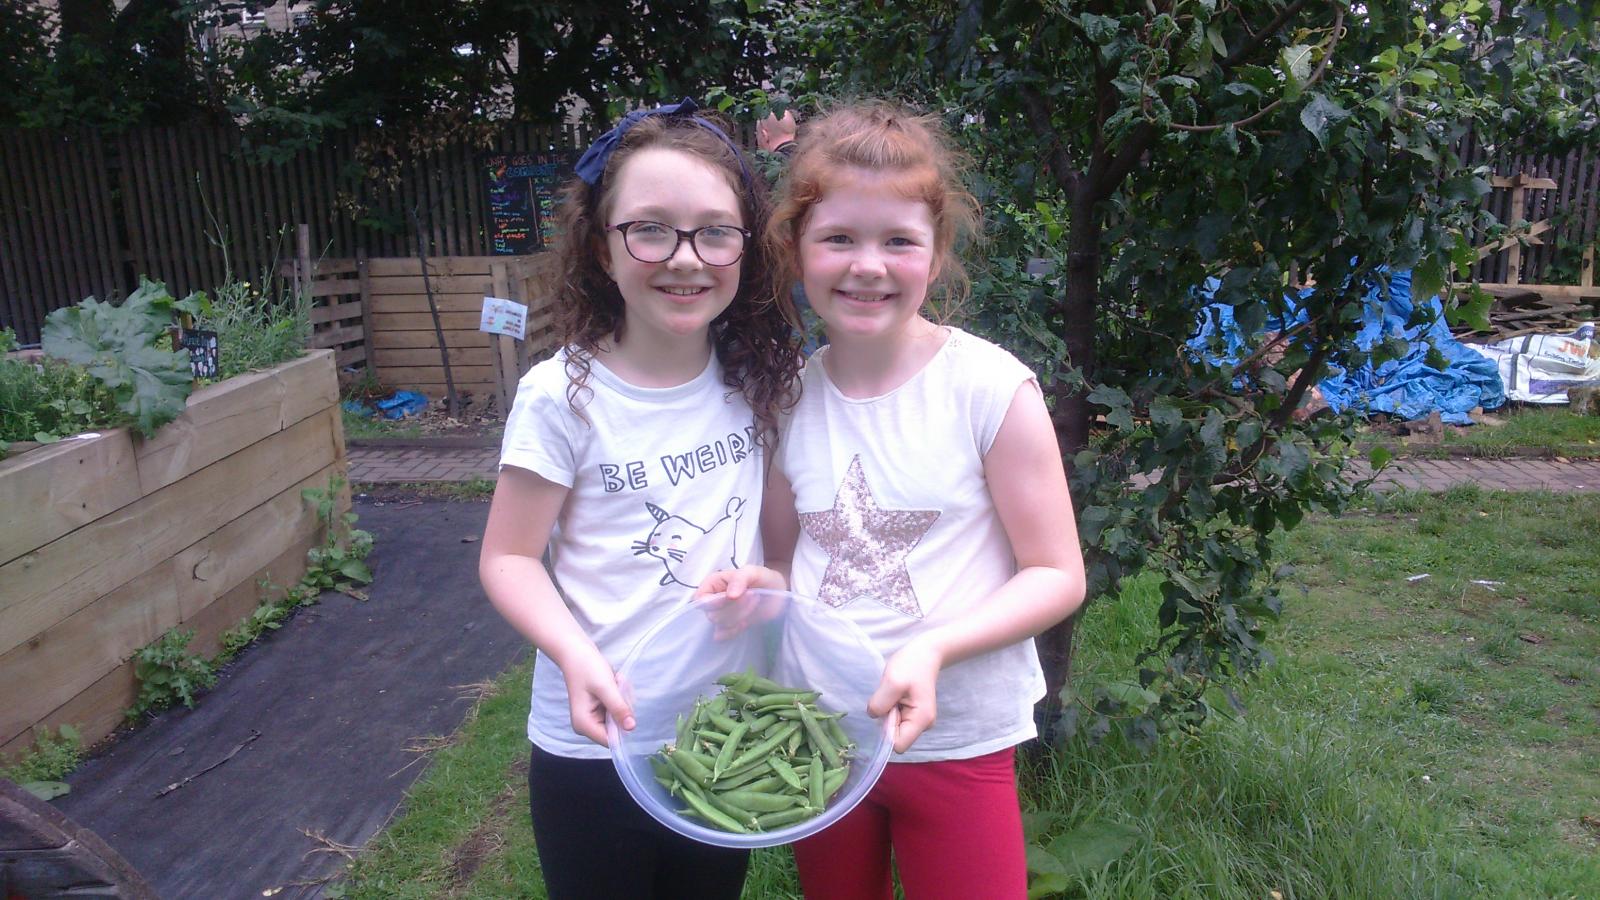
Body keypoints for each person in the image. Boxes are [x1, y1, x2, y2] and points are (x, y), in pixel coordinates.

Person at [699, 101, 1087, 900]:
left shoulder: (989, 390)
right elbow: (784, 559)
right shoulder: (787, 401)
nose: (867, 265)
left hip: (959, 740)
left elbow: (1056, 573)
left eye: (898, 241)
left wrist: (932, 649)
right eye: (838, 237)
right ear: (795, 251)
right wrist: (756, 587)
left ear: (937, 255)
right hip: (824, 738)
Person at [478, 98, 801, 900]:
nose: (686, 258)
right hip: (596, 742)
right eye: (650, 228)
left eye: (715, 231)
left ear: (746, 247)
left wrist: (772, 583)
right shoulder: (565, 395)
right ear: (602, 246)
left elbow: (774, 543)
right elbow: (510, 557)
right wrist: (575, 655)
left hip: (720, 726)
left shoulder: (753, 381)